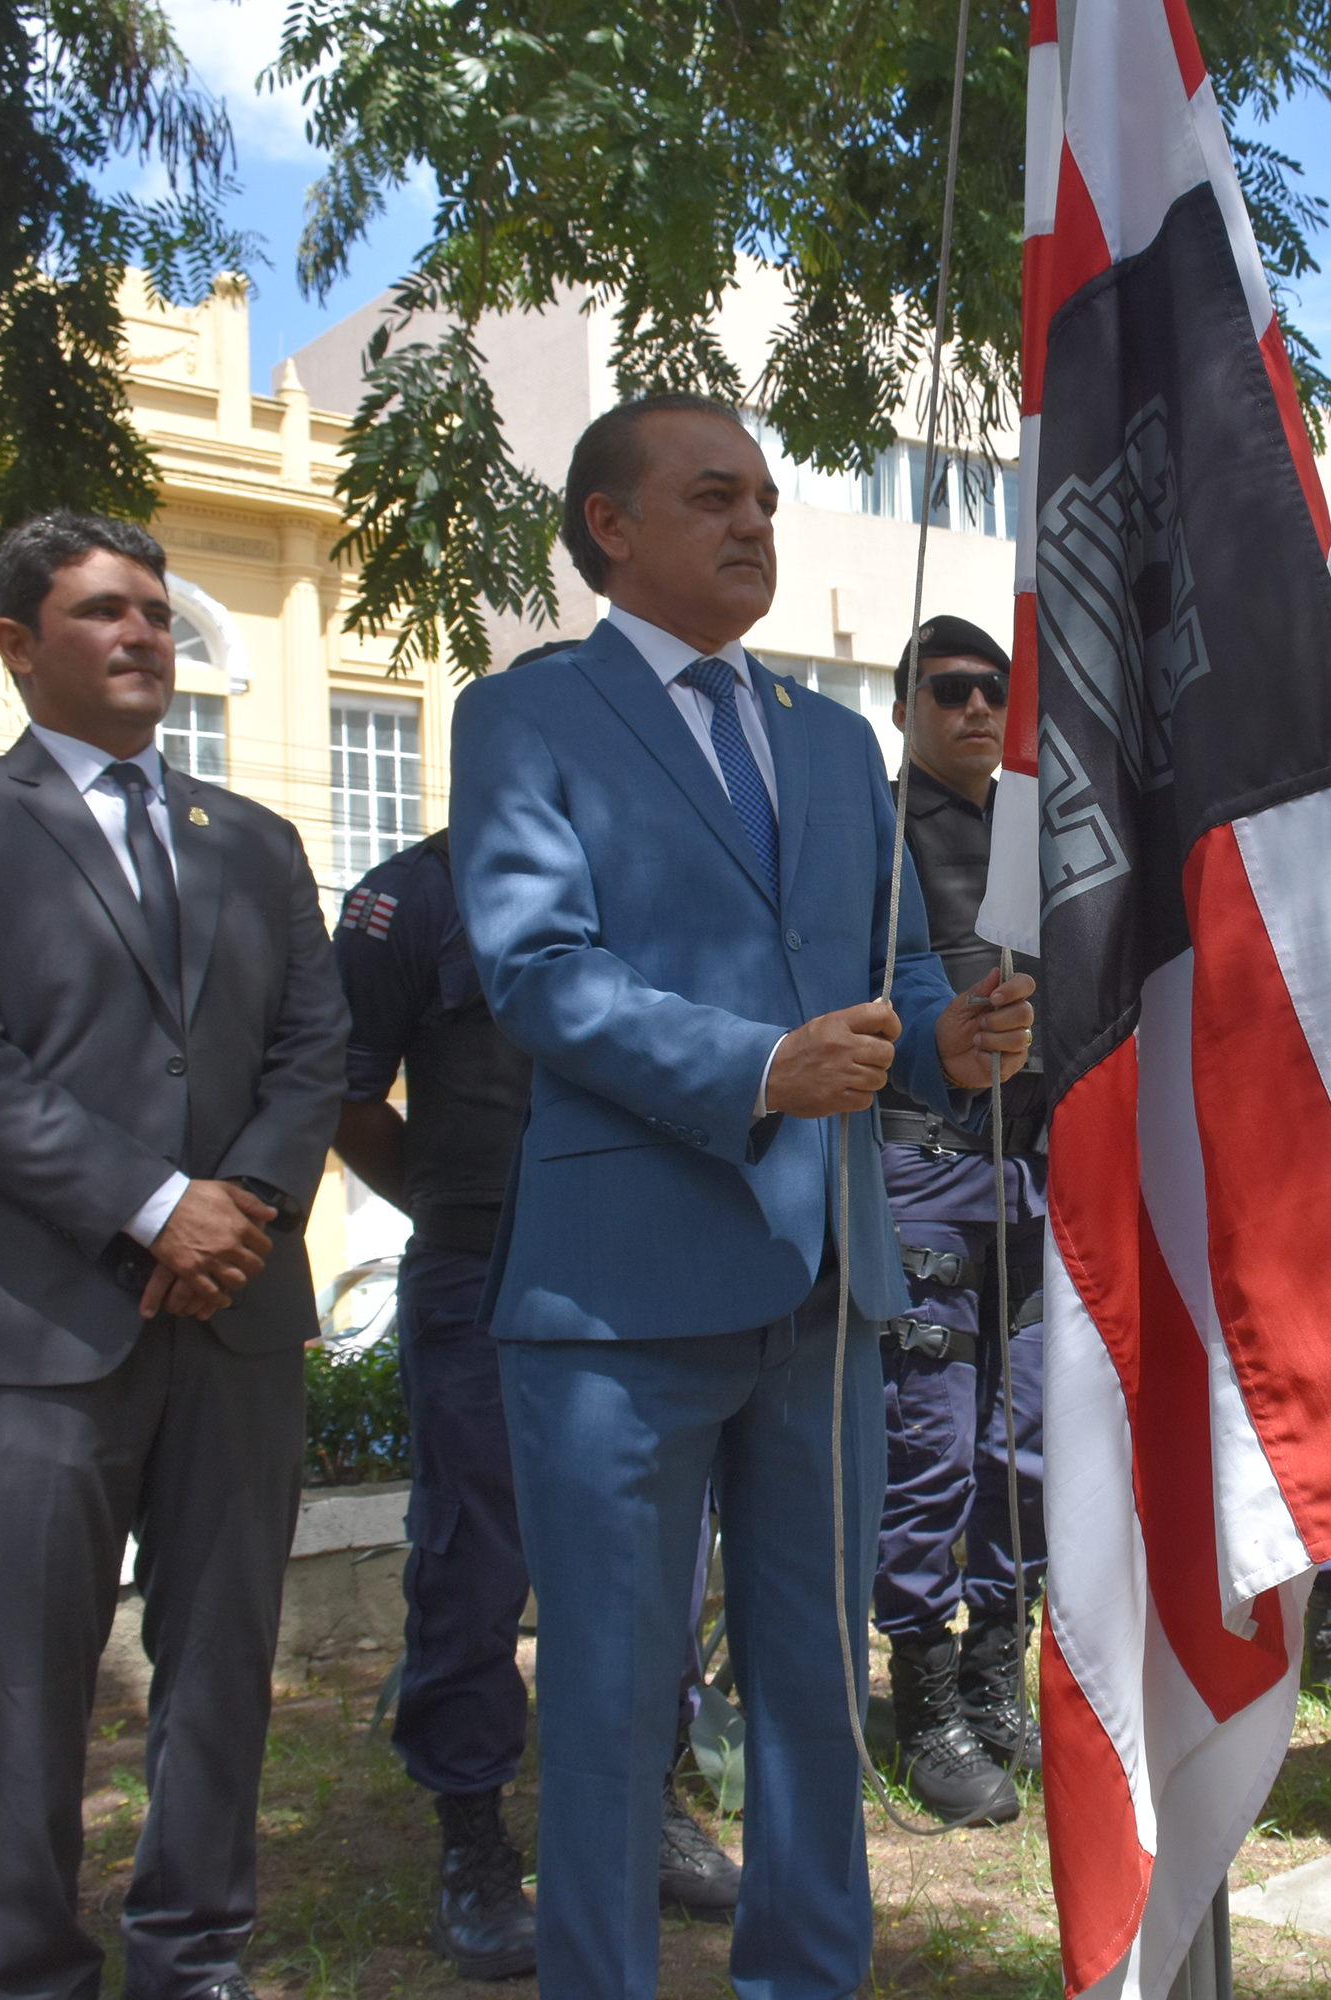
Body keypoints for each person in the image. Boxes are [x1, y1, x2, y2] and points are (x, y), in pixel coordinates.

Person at [450, 393, 1034, 2000]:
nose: (755, 524)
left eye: (768, 498)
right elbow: (536, 971)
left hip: (830, 1293)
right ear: (608, 526)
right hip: (619, 1300)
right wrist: (760, 1070)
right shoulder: (528, 717)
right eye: (713, 496)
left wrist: (954, 1042)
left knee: (809, 1700)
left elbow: (897, 980)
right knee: (617, 1708)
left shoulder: (842, 744)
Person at [0, 513, 348, 2000]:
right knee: (23, 1680)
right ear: (17, 644)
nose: (145, 634)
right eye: (103, 613)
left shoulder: (251, 840)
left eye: (154, 611)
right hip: (26, 1330)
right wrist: (152, 1206)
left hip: (237, 1314)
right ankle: (31, 1967)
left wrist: (238, 1207)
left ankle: (194, 1955)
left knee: (219, 1662)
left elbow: (315, 1047)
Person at [332, 791, 750, 1976]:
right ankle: (473, 1838)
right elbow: (349, 1094)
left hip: (643, 1262)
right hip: (483, 1273)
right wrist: (466, 1208)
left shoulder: (656, 876)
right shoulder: (412, 894)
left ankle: (650, 1805)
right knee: (474, 1555)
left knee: (660, 1551)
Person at [868, 614, 1049, 1826]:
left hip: (1035, 1175)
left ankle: (998, 1670)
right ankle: (923, 1690)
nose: (979, 708)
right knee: (929, 1444)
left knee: (1024, 1443)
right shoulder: (872, 835)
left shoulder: (1038, 832)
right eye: (950, 689)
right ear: (906, 705)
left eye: (996, 688)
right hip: (923, 1170)